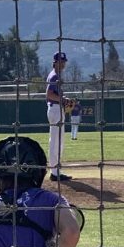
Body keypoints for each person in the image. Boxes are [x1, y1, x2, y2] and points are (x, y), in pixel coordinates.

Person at [46, 51, 72, 181]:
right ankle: (54, 172)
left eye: (64, 61)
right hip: (55, 109)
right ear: (55, 62)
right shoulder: (54, 76)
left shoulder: (56, 75)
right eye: (61, 61)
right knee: (55, 141)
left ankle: (56, 170)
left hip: (57, 109)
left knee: (59, 141)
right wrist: (63, 100)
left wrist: (64, 99)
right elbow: (49, 94)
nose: (63, 64)